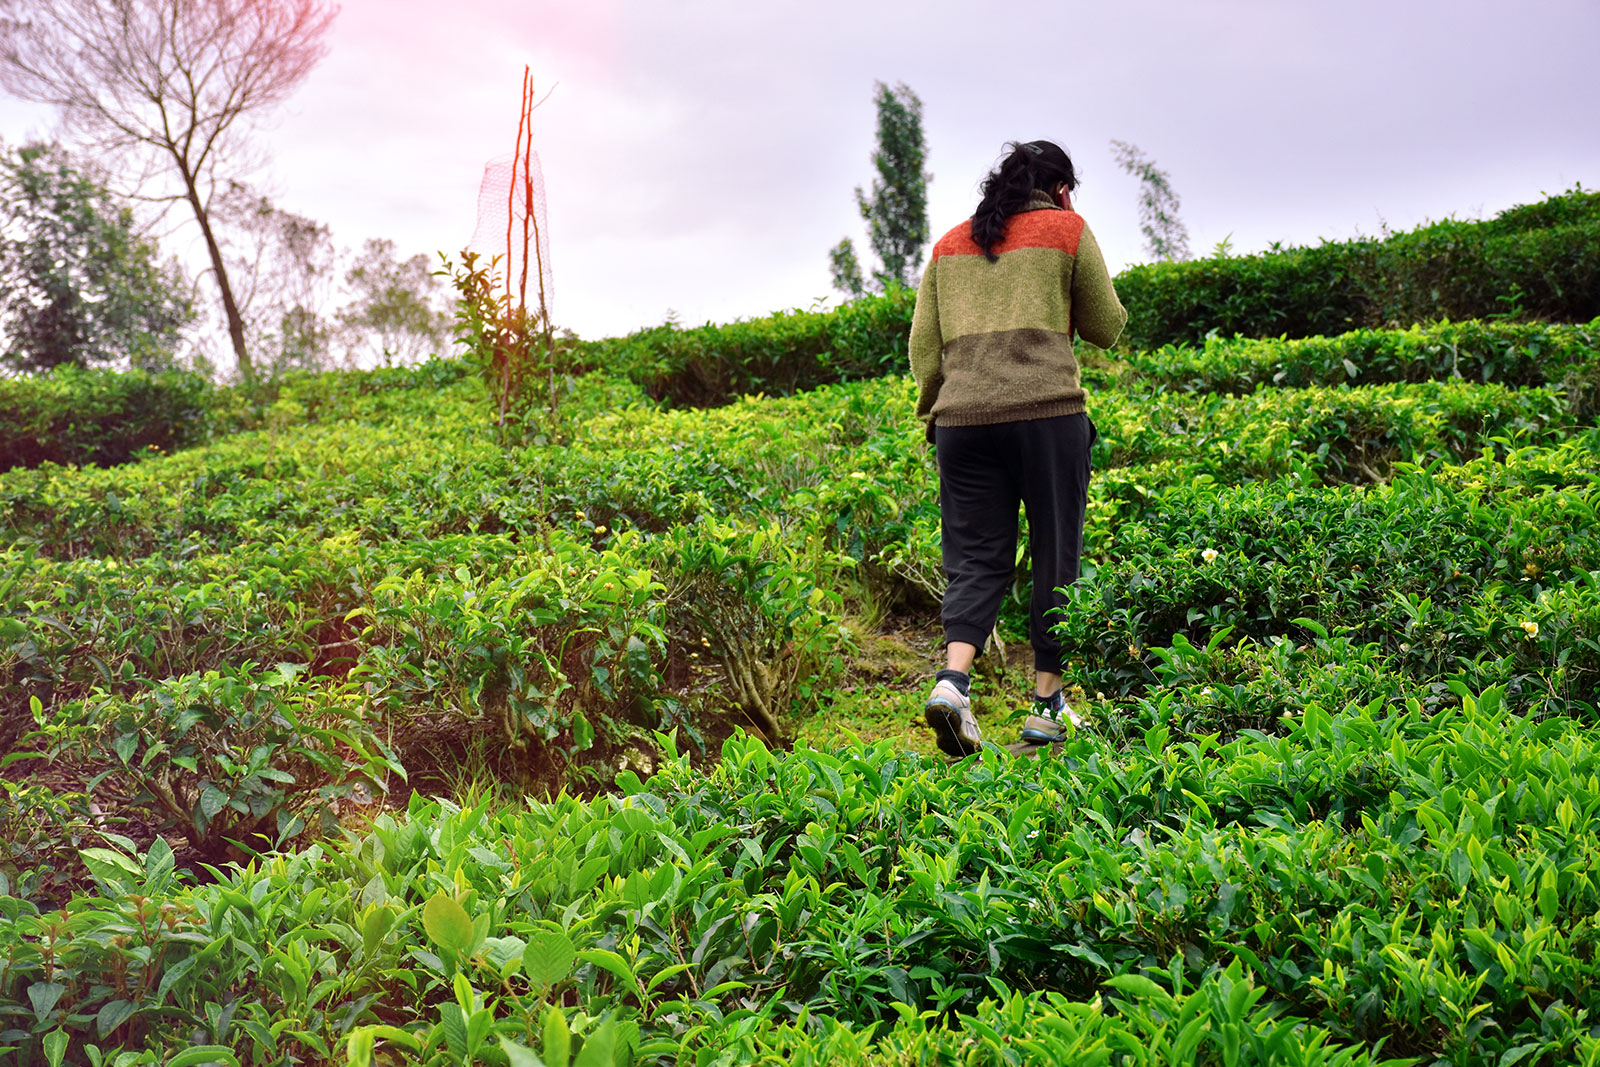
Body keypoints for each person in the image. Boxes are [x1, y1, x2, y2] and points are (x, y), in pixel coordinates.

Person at [909, 139, 1127, 756]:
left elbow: (924, 348)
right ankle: (1045, 710)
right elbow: (1106, 327)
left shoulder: (950, 245)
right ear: (1061, 189)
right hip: (1046, 416)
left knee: (976, 559)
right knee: (1056, 554)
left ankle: (953, 684)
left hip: (962, 425)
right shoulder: (1067, 229)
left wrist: (939, 410)